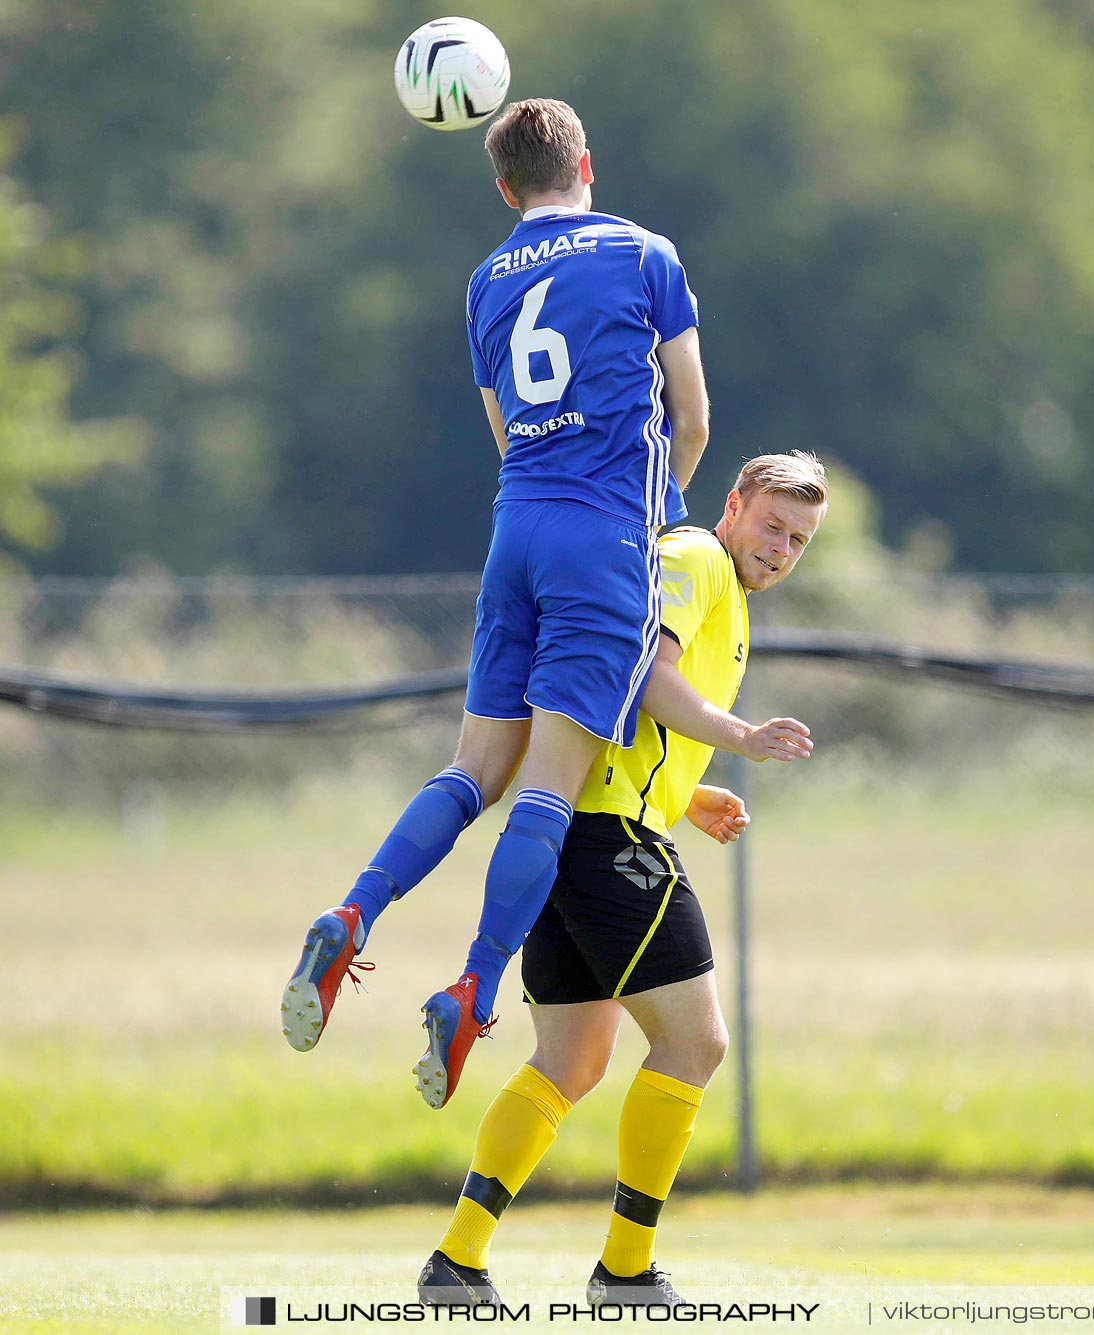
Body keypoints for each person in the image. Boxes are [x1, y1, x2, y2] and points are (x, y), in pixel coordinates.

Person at [282, 98, 725, 1108]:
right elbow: (692, 418)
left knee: (475, 766)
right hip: (603, 538)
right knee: (549, 791)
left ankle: (353, 913)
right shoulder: (646, 254)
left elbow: (504, 434)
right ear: (587, 167)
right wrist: (654, 524)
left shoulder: (486, 281)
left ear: (503, 188)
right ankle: (473, 988)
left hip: (515, 530)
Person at [414, 452, 828, 1309]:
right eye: (773, 525)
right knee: (696, 1042)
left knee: (570, 1060)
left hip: (579, 830)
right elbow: (647, 676)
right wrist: (741, 737)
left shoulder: (727, 588)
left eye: (799, 538)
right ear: (734, 504)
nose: (782, 547)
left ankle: (457, 1262)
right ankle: (626, 1271)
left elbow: (624, 720)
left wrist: (689, 790)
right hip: (607, 840)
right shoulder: (697, 560)